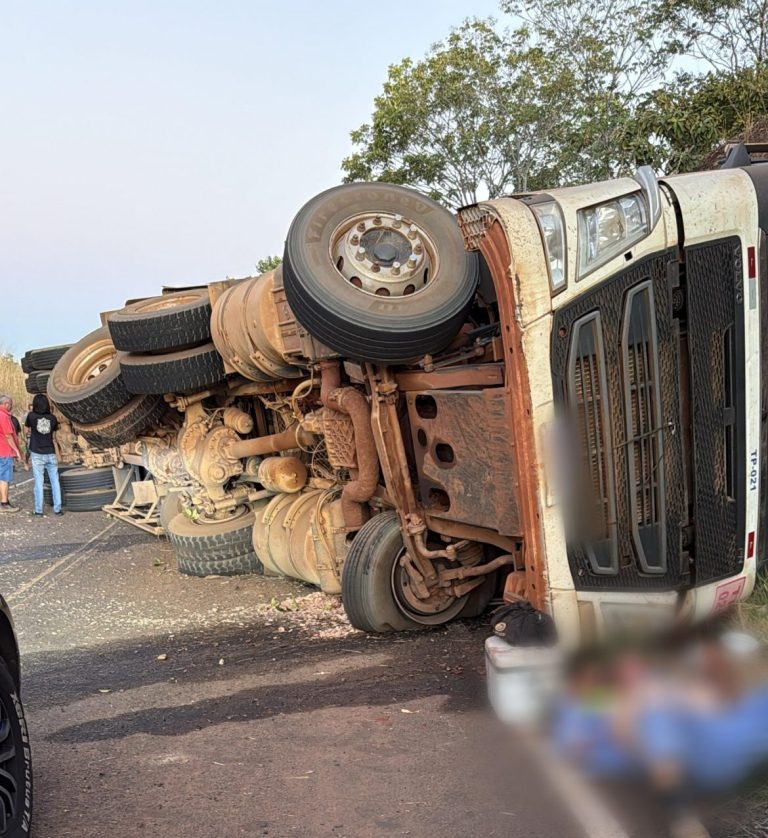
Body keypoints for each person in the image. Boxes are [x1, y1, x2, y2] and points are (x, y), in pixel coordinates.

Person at [25, 394, 63, 517]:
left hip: (37, 453)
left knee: (39, 483)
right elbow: (54, 436)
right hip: (50, 452)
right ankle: (58, 509)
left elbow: (26, 431)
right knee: (55, 482)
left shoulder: (31, 416)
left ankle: (38, 511)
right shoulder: (52, 418)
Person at [0, 396, 21, 513]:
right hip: (4, 451)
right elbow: (8, 435)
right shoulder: (3, 416)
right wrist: (16, 450)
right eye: (10, 404)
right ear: (6, 404)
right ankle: (4, 503)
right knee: (4, 478)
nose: (11, 406)